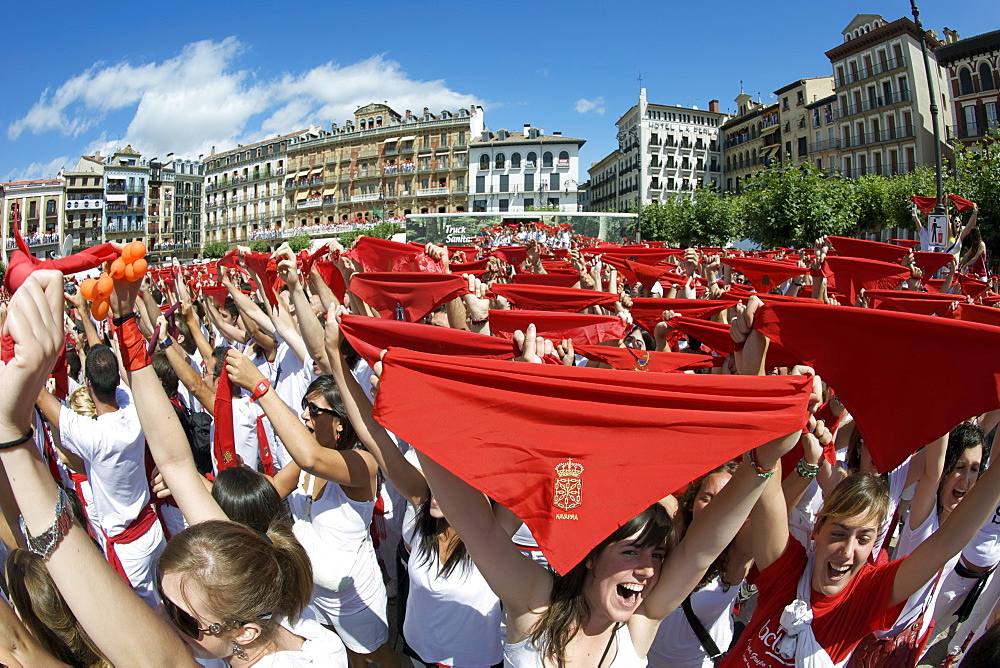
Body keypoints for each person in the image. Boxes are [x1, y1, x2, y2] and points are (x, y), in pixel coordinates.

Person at [223, 356, 399, 667]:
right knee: (339, 654)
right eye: (305, 405)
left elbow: (312, 459)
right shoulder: (301, 463)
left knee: (373, 658)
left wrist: (260, 387)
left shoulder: (363, 465)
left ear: (340, 423)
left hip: (353, 600)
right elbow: (271, 491)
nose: (304, 415)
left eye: (314, 410)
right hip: (311, 593)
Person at [34, 343, 166, 607]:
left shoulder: (93, 436)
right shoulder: (133, 407)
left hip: (128, 550)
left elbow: (40, 397)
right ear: (117, 381)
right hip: (153, 530)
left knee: (150, 621)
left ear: (87, 384)